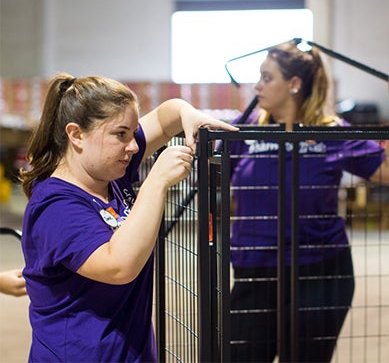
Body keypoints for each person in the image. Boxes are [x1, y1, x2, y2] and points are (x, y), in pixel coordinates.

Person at [19, 74, 237, 362]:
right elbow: (119, 266)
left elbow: (165, 116)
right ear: (76, 134)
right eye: (120, 134)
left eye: (133, 133)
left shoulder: (110, 171)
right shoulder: (56, 206)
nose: (133, 146)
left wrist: (189, 115)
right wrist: (156, 182)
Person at [227, 40, 389, 362]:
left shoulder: (331, 133)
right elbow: (206, 167)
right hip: (255, 272)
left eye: (267, 77)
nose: (257, 85)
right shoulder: (242, 133)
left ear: (294, 84)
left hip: (320, 273)